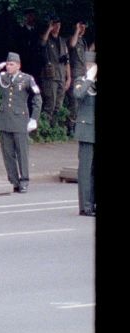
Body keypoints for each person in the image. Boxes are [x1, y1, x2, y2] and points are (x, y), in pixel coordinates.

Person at [0, 52, 42, 192]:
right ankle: (13, 180)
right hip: (5, 120)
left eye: (11, 64)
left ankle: (24, 180)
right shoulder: (2, 78)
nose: (8, 67)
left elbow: (37, 98)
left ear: (18, 66)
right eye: (7, 64)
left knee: (22, 152)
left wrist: (34, 119)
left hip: (20, 120)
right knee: (8, 154)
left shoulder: (26, 79)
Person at [72, 48, 96, 216]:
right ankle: (85, 206)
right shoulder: (81, 81)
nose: (89, 67)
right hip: (87, 131)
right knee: (85, 171)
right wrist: (89, 77)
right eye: (88, 65)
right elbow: (78, 94)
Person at [39, 17, 72, 127]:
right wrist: (49, 29)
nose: (57, 27)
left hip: (61, 75)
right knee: (50, 103)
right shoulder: (47, 39)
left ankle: (53, 128)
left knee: (58, 104)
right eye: (55, 25)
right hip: (50, 76)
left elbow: (67, 61)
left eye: (59, 25)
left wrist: (69, 78)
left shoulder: (62, 41)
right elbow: (42, 43)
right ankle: (44, 127)